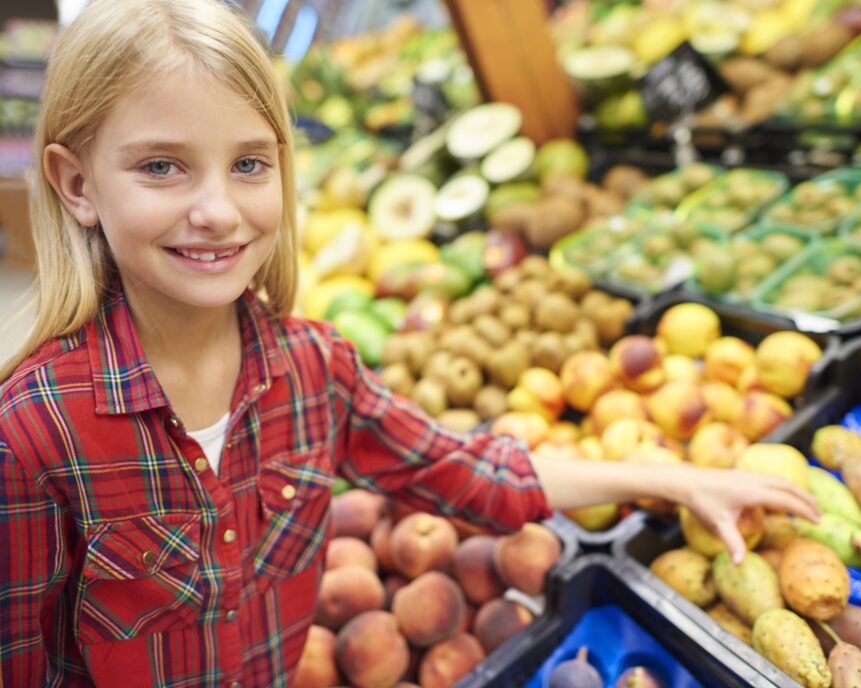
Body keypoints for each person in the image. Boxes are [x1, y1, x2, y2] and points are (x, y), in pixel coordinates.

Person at [0, 0, 818, 685]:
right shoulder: (33, 436)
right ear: (78, 185)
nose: (217, 209)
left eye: (249, 164)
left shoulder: (314, 368)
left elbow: (470, 475)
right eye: (162, 169)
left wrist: (671, 478)